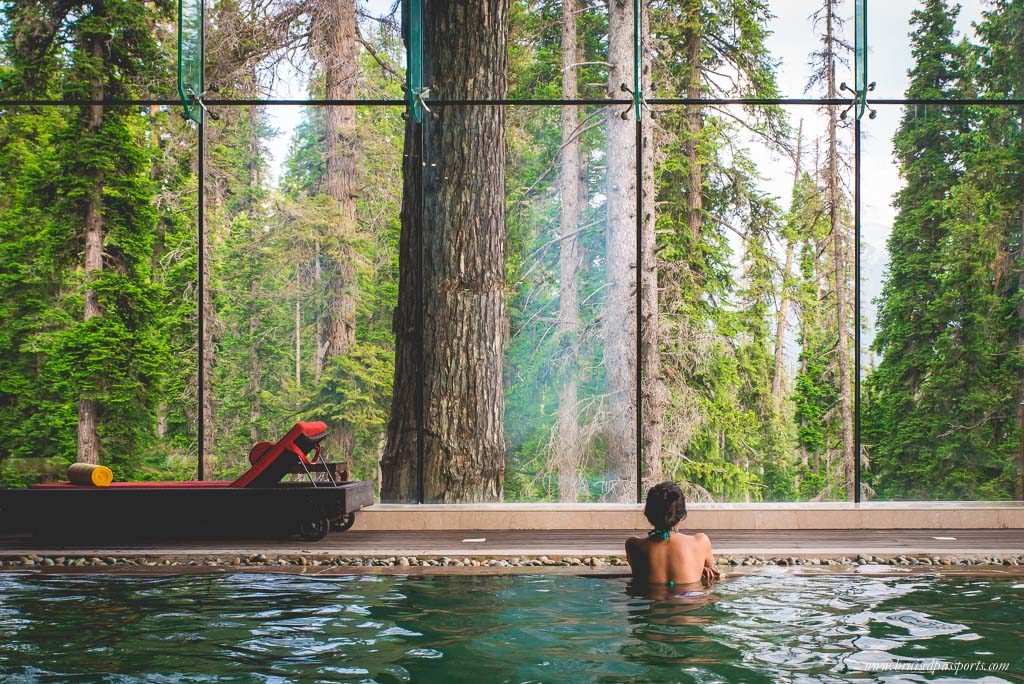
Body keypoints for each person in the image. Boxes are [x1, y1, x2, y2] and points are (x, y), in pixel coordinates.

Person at [625, 482, 720, 590]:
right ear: (683, 514)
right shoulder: (701, 542)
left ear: (648, 513)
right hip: (692, 603)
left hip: (651, 601)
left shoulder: (633, 546)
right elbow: (715, 574)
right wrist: (699, 568)